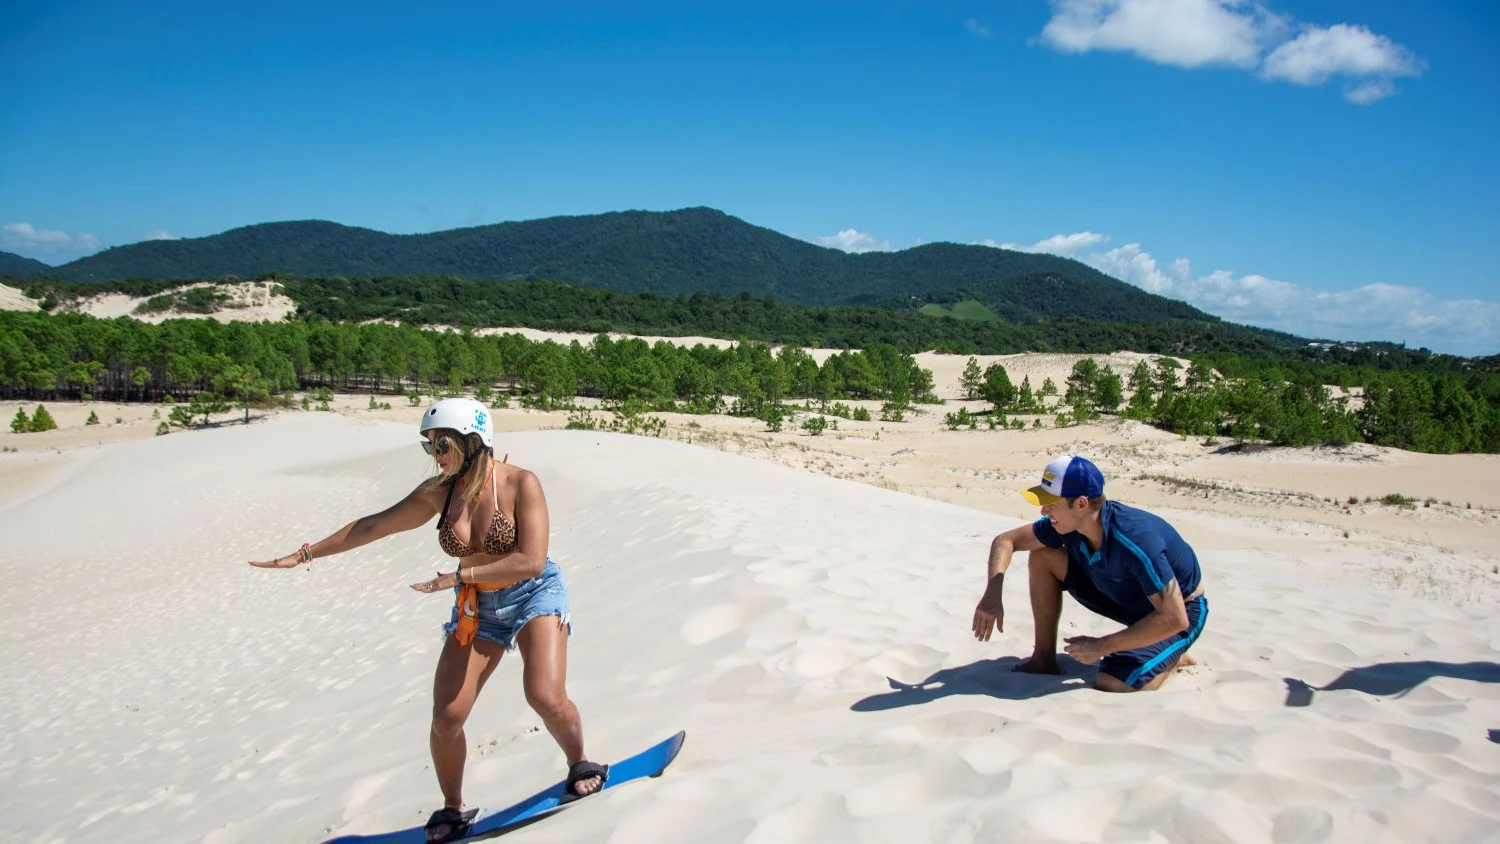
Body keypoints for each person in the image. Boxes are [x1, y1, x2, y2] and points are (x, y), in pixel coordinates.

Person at [250, 398, 606, 842]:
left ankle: (579, 762)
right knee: (446, 717)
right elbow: (372, 526)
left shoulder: (521, 483)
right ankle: (454, 808)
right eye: (430, 446)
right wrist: (304, 555)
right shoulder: (440, 493)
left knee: (544, 696)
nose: (435, 456)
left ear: (473, 442)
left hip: (534, 593)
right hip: (479, 607)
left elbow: (531, 562)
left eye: (442, 445)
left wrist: (459, 575)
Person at [971, 455, 1208, 692]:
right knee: (1044, 555)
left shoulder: (1135, 540)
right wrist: (992, 593)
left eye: (1052, 503)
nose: (1044, 511)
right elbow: (1006, 540)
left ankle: (1171, 658)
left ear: (1082, 504)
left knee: (1113, 681)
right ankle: (1043, 659)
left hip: (1180, 611)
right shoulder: (1070, 525)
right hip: (1126, 596)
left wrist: (1101, 646)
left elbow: (1175, 617)